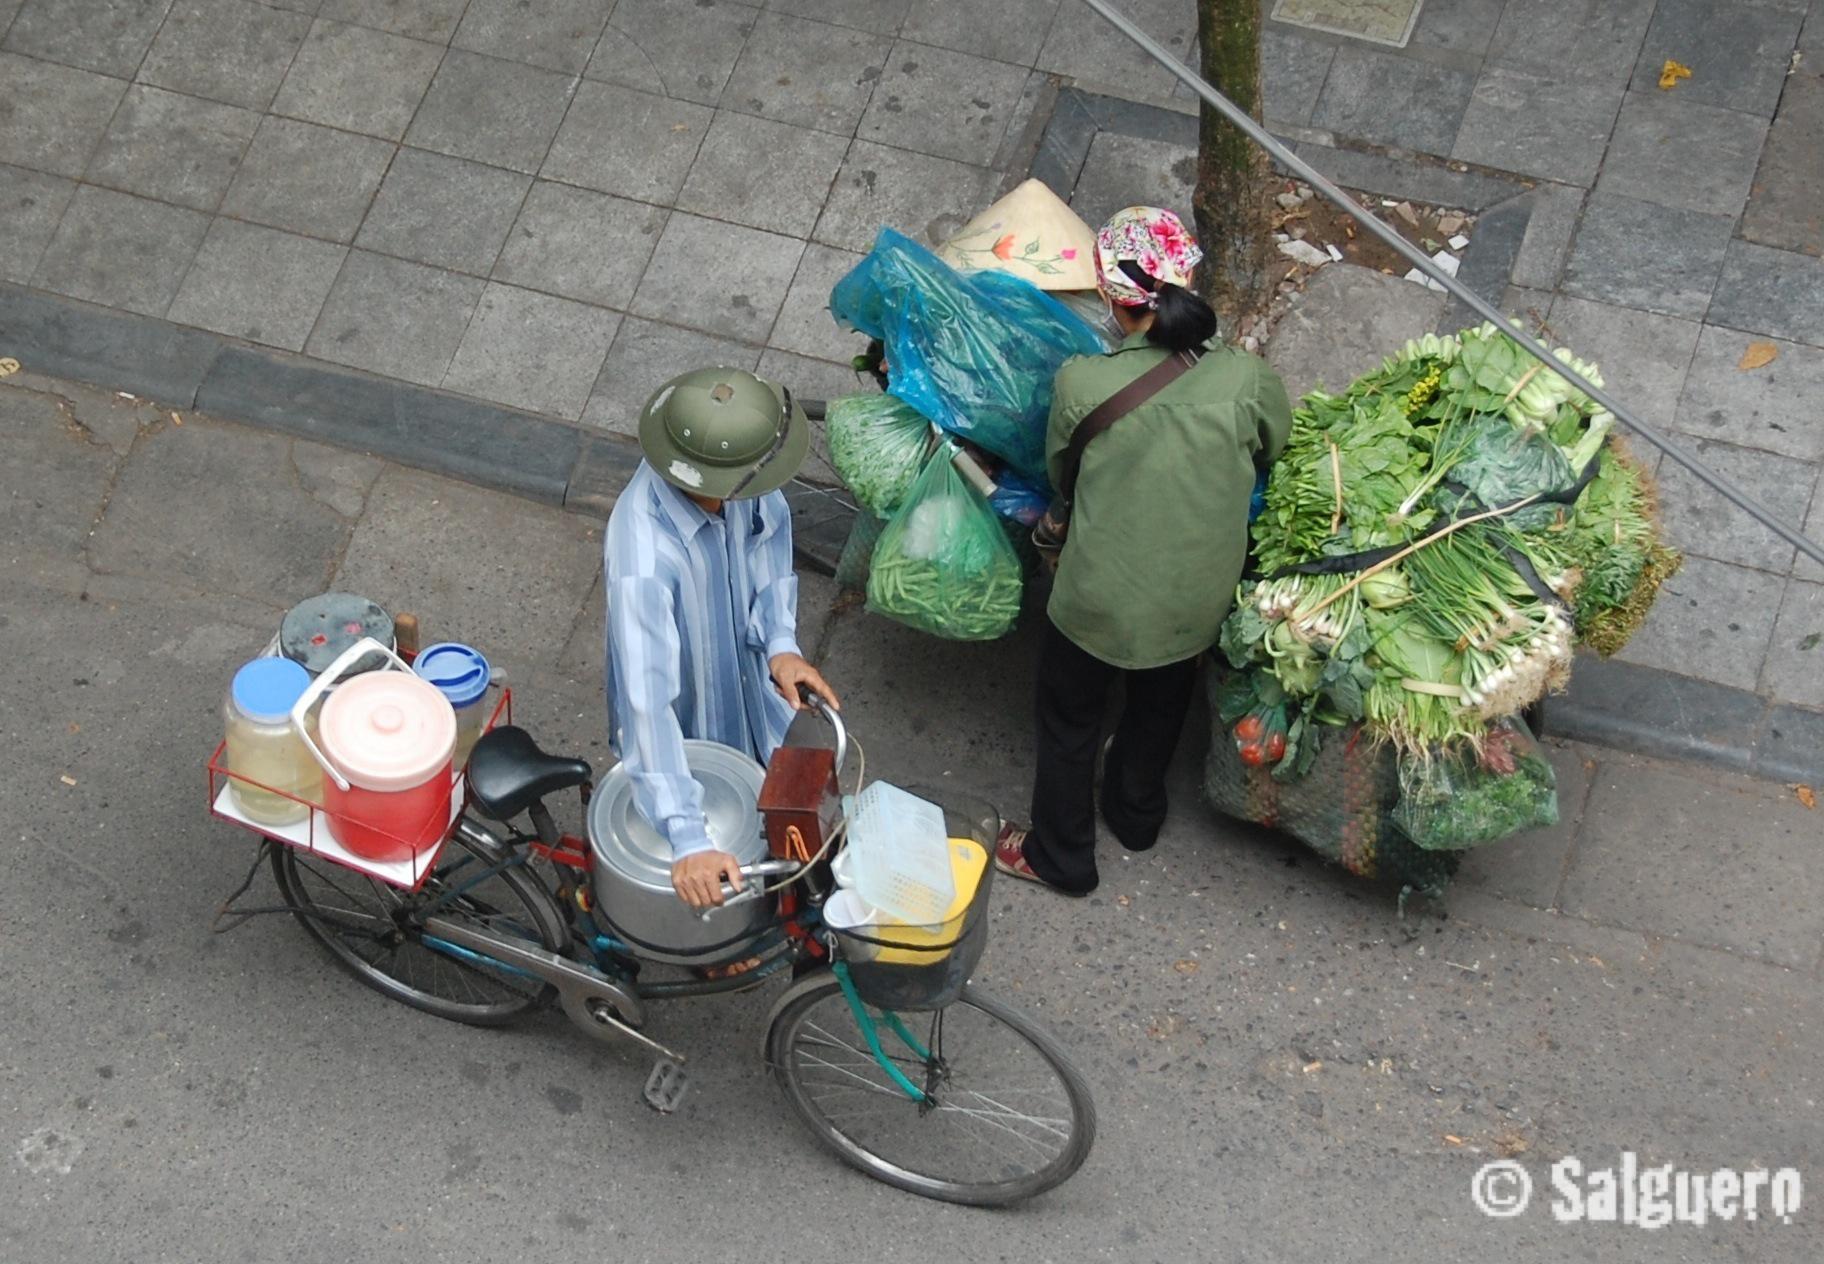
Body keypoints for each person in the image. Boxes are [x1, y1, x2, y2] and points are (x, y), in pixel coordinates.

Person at [995, 207, 1293, 896]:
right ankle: (1136, 815)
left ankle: (1061, 856)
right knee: (1162, 699)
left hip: (1096, 601)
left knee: (1070, 718)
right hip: (1196, 601)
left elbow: (1059, 473)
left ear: (1110, 299)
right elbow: (1274, 450)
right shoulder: (1246, 382)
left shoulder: (1081, 383)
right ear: (1190, 279)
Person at [604, 366, 839, 914]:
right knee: (713, 856)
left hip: (746, 696)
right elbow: (647, 702)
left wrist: (781, 644)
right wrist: (687, 837)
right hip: (685, 720)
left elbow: (769, 542)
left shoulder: (745, 485)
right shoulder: (644, 560)